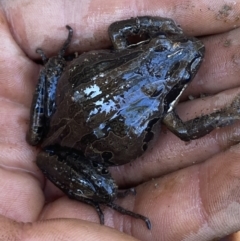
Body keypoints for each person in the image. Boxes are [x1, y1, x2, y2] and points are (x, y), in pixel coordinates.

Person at [0, 0, 240, 240]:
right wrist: (226, 115)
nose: (191, 48)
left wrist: (155, 25)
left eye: (184, 72)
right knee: (106, 190)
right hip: (77, 149)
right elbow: (185, 132)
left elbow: (117, 29)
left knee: (53, 67)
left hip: (55, 114)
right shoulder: (166, 111)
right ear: (151, 46)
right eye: (162, 45)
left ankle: (39, 134)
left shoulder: (123, 46)